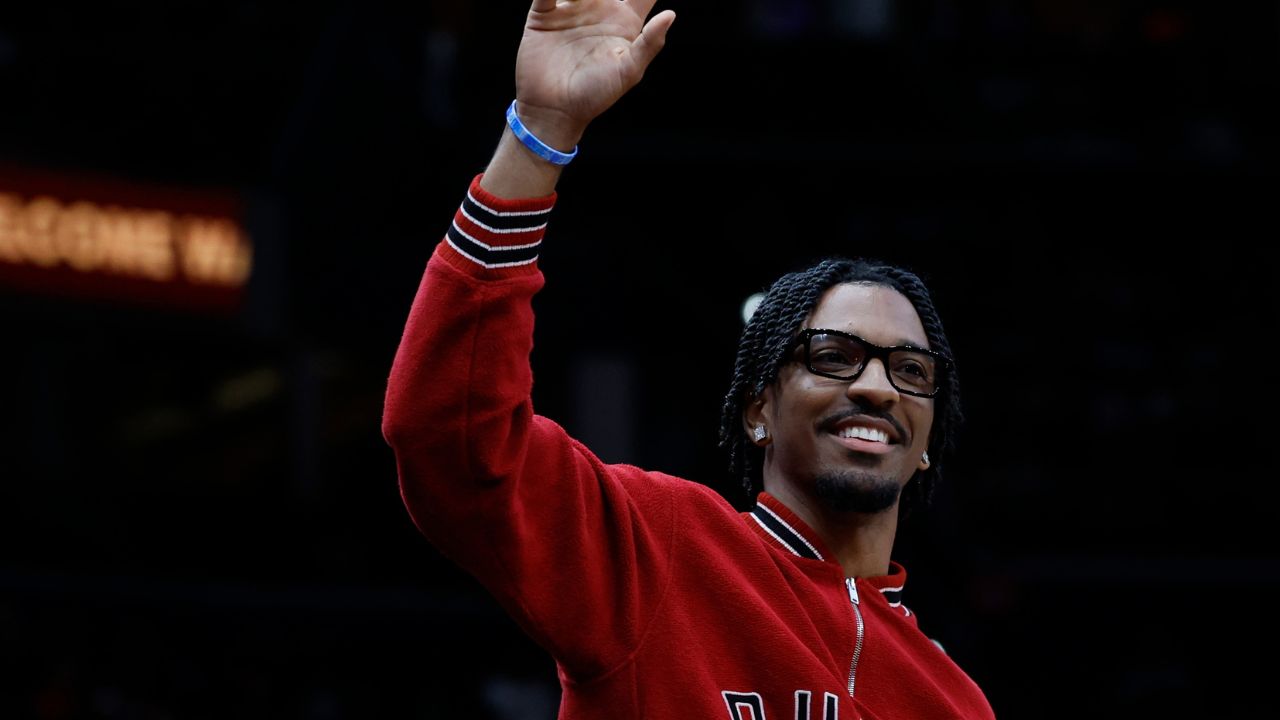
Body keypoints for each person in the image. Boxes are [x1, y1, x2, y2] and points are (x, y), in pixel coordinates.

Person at [382, 1, 995, 717]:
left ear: (927, 443)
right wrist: (543, 130)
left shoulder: (952, 701)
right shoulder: (663, 551)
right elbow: (452, 444)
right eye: (833, 355)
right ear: (759, 409)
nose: (876, 386)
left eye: (910, 371)